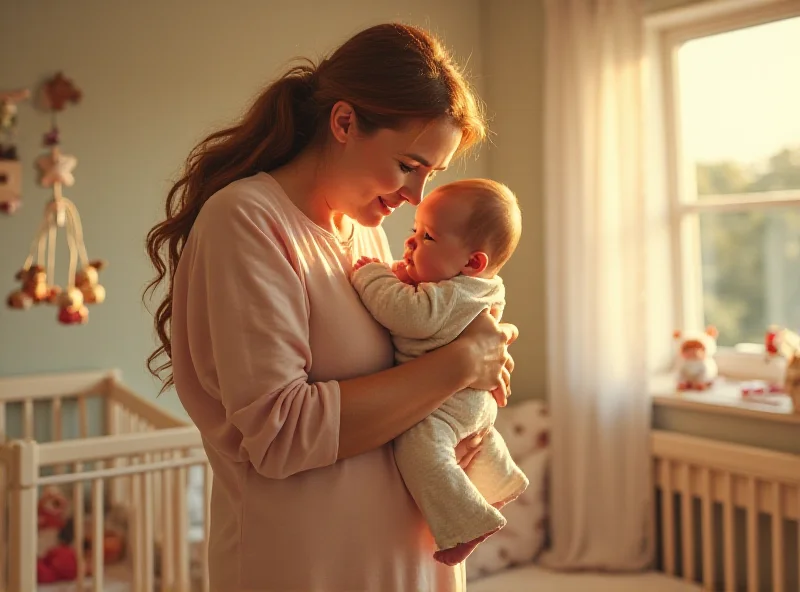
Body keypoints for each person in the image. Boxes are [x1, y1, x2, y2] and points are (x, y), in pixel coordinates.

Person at [144, 23, 518, 592]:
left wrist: (469, 390)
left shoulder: (366, 233)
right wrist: (459, 366)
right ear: (344, 123)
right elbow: (281, 432)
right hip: (306, 568)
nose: (415, 197)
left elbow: (402, 389)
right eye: (407, 166)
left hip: (410, 565)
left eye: (431, 175)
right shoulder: (247, 220)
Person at [350, 179, 527, 567]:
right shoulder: (472, 288)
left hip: (451, 402)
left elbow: (408, 314)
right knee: (478, 438)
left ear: (471, 263)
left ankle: (466, 523)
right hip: (470, 397)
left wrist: (372, 276)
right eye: (415, 230)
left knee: (419, 446)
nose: (411, 242)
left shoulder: (451, 295)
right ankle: (499, 482)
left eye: (427, 236)